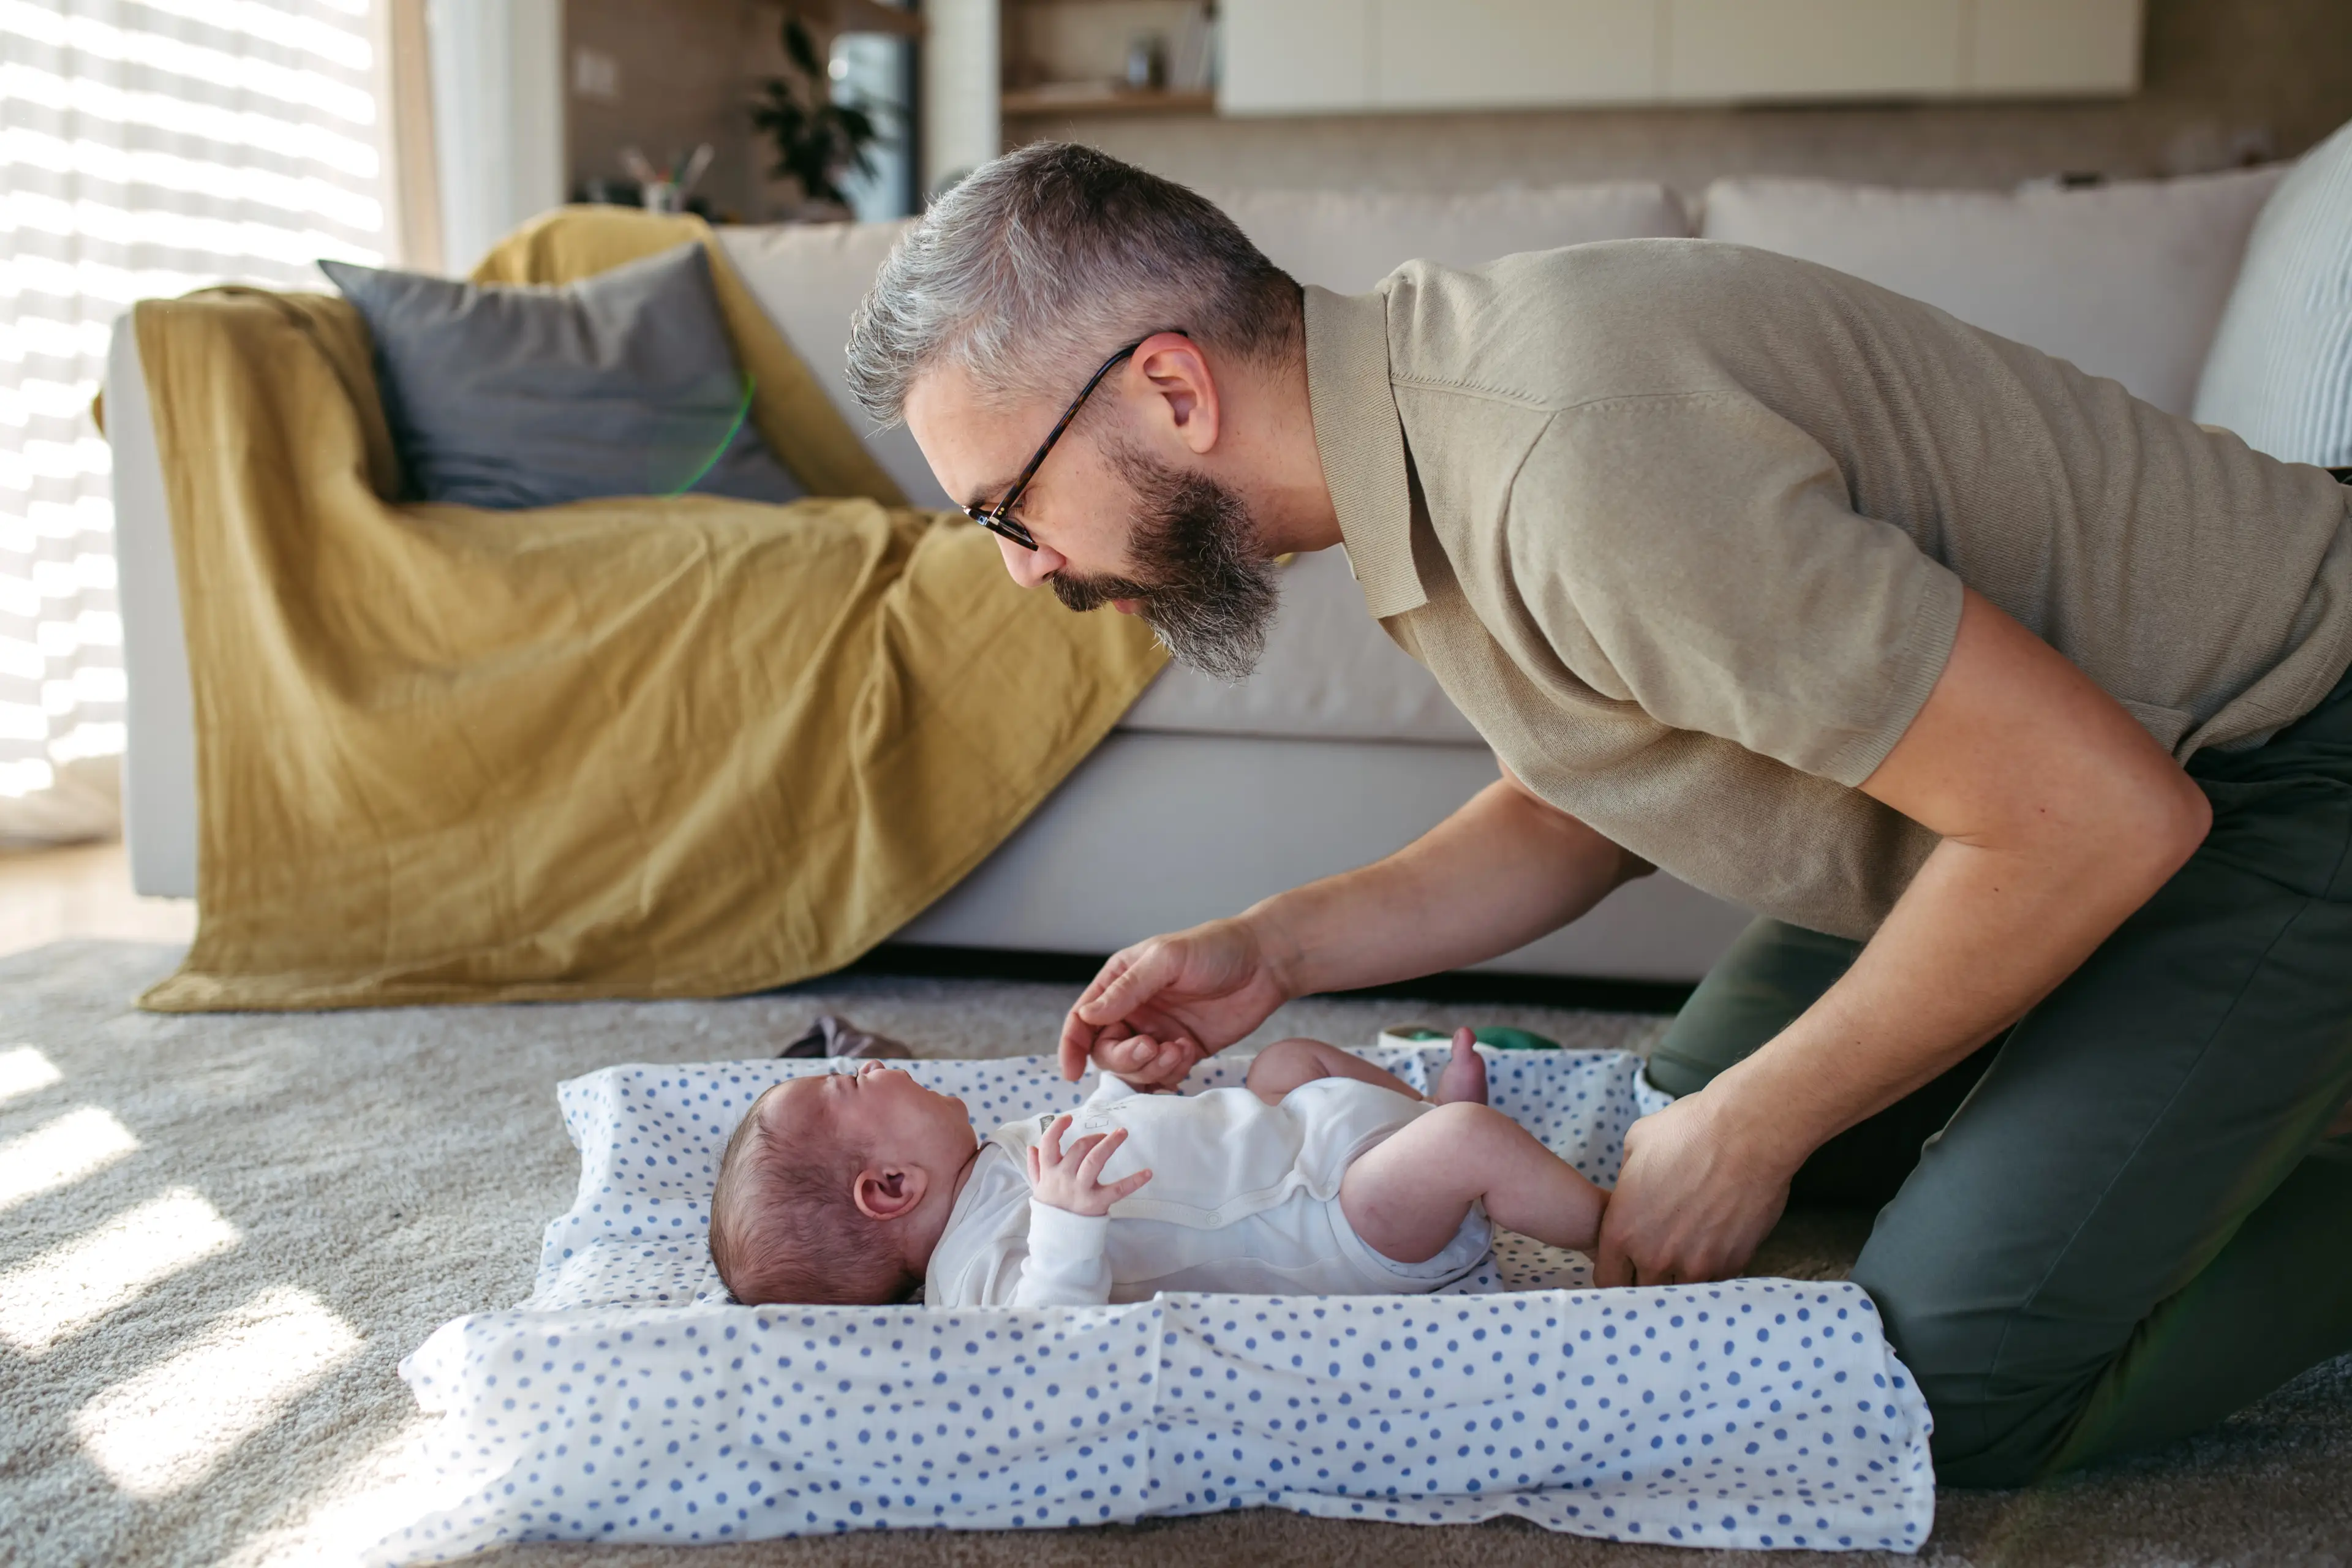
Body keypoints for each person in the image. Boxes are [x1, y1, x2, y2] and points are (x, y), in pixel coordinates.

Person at [842, 141, 2352, 1485]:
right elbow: (1596, 792)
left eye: (1006, 508)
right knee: (1665, 1118)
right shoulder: (1417, 432)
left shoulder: (1567, 467)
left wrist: (1759, 1127)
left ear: (1173, 391)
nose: (1023, 567)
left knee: (1913, 1385)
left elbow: (2102, 814)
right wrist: (1278, 947)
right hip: (2037, 796)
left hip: (2279, 753)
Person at [706, 1031, 1607, 1308]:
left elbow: (1107, 1129)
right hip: (1336, 1225)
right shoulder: (968, 1273)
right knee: (1471, 1143)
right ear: (891, 1188)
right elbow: (1051, 1341)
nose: (881, 1062)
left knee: (1290, 1058)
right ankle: (1630, 1225)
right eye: (854, 1080)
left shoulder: (998, 1154)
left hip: (1292, 1135)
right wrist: (1065, 1223)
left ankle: (1424, 1117)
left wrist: (1126, 1079)